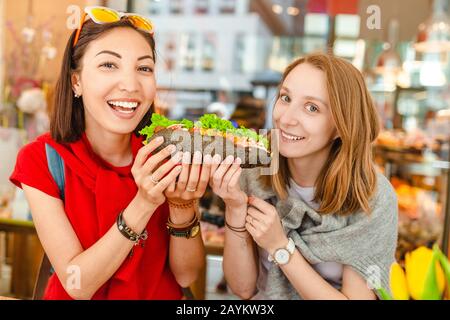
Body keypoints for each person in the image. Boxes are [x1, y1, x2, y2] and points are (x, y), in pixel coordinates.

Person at [10, 7, 209, 300]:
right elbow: (77, 285)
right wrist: (144, 203)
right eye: (108, 65)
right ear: (76, 81)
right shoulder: (41, 158)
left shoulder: (165, 152)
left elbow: (186, 275)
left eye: (144, 68)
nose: (130, 85)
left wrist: (183, 207)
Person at [209, 53, 398, 300]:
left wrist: (280, 247)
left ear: (342, 126)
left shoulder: (374, 198)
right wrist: (235, 208)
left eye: (312, 108)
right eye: (285, 98)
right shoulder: (254, 170)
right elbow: (243, 288)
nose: (286, 119)